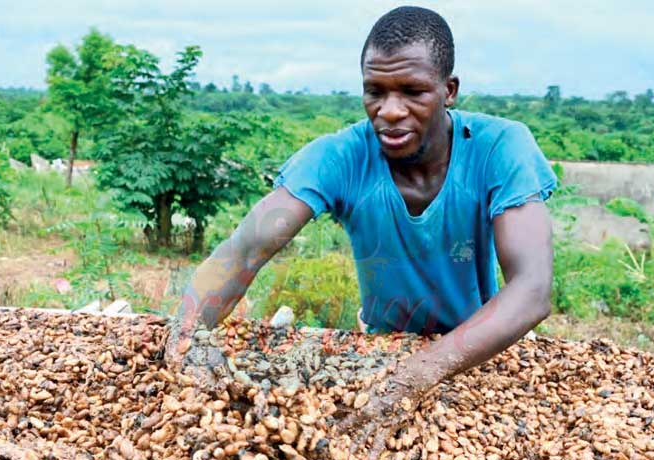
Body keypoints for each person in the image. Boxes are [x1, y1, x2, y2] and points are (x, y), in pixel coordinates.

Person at [164, 5, 557, 456]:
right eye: (375, 92)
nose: (389, 111)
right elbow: (244, 250)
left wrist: (415, 376)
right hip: (381, 352)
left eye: (412, 92)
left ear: (448, 90)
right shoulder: (341, 156)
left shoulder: (500, 148)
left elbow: (532, 289)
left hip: (478, 352)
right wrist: (184, 339)